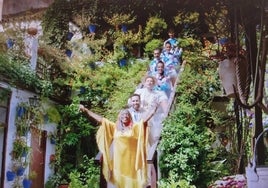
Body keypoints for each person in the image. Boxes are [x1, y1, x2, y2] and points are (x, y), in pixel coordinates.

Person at [79, 104, 156, 188]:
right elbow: (101, 120)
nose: (125, 116)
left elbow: (143, 122)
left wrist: (152, 112)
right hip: (118, 162)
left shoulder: (134, 128)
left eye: (127, 115)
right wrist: (86, 110)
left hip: (131, 162)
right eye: (123, 115)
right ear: (119, 117)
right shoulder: (115, 127)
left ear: (130, 117)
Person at [134, 75, 168, 146]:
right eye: (148, 81)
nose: (149, 83)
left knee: (151, 134)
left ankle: (151, 148)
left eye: (151, 81)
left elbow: (163, 101)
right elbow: (132, 101)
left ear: (153, 83)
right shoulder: (139, 91)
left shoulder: (157, 93)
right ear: (145, 83)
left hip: (151, 116)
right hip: (140, 114)